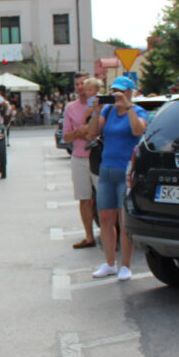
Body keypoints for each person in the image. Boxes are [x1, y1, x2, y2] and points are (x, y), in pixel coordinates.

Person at [86, 75, 148, 281]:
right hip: (106, 169)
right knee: (105, 218)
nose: (116, 94)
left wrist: (128, 107)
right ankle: (109, 262)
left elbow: (138, 130)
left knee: (124, 221)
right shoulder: (108, 110)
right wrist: (96, 112)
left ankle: (125, 265)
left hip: (126, 171)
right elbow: (92, 133)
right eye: (114, 91)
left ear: (130, 92)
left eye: (121, 91)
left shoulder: (137, 111)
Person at [62, 73, 100, 249]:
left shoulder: (101, 105)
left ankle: (112, 233)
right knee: (84, 198)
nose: (80, 87)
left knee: (105, 198)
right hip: (79, 157)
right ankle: (89, 236)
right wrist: (80, 131)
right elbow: (67, 136)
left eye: (83, 84)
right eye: (77, 84)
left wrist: (88, 131)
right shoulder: (70, 108)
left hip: (99, 156)